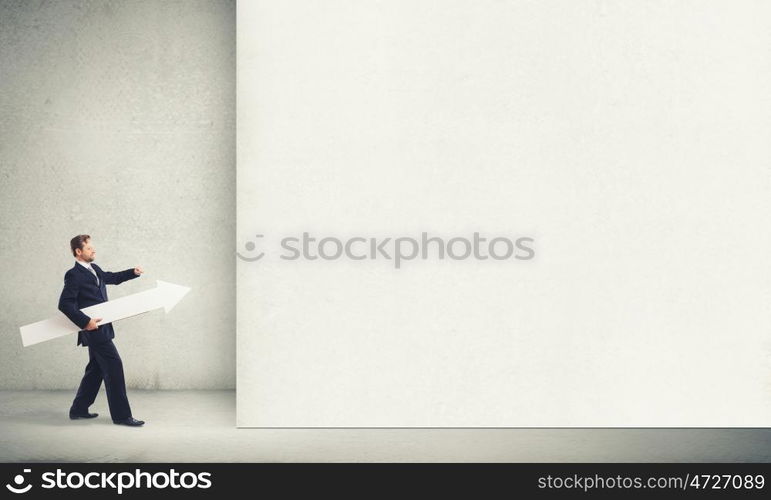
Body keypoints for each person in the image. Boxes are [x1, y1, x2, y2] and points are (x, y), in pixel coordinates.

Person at [57, 234, 146, 427]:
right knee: (114, 366)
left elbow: (111, 277)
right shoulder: (73, 275)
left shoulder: (94, 269)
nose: (94, 250)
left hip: (103, 328)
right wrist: (85, 322)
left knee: (96, 369)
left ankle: (78, 409)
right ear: (78, 252)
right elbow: (64, 304)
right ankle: (122, 416)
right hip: (93, 330)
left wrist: (133, 272)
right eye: (89, 248)